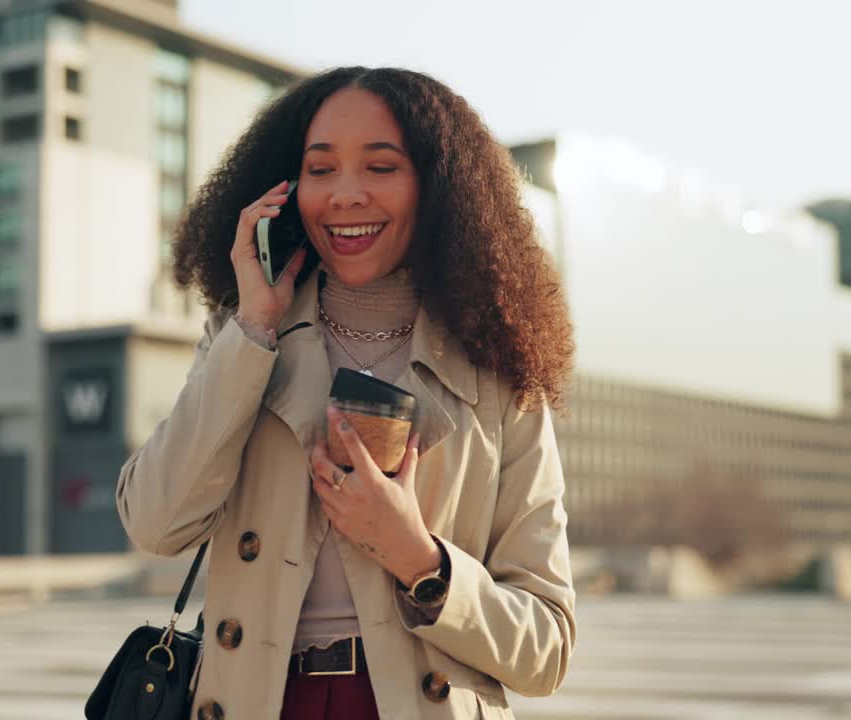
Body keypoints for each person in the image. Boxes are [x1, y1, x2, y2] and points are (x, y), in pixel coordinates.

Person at [117, 66, 576, 720]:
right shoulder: (242, 335)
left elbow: (548, 648)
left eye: (382, 168)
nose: (346, 194)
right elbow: (155, 524)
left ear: (437, 189)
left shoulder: (500, 373)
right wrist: (252, 329)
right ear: (287, 186)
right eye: (321, 168)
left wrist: (421, 560)